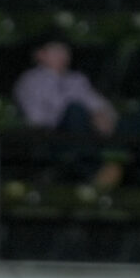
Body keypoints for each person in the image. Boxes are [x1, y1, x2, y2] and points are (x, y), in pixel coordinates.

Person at [12, 40, 119, 182]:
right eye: (56, 51)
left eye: (65, 51)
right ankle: (95, 171)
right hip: (52, 136)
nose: (63, 55)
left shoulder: (76, 79)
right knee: (75, 111)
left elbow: (99, 103)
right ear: (40, 55)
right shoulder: (30, 81)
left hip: (84, 131)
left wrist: (103, 115)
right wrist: (77, 114)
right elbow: (35, 118)